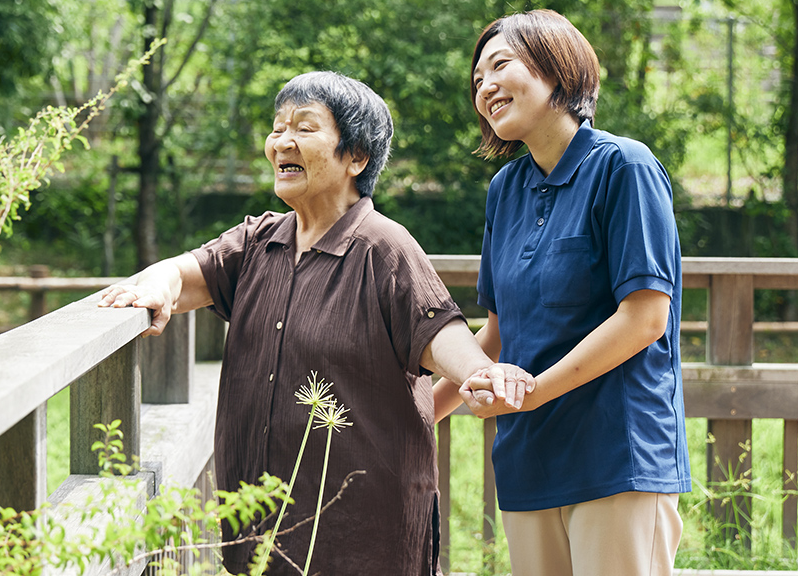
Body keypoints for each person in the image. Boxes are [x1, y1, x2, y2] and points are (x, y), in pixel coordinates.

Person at [98, 71, 531, 575]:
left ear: (356, 157)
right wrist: (154, 286)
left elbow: (439, 334)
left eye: (304, 127)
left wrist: (479, 372)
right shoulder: (258, 241)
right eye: (277, 127)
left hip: (364, 538)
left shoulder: (385, 248)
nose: (282, 140)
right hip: (257, 533)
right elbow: (181, 274)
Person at [454, 9, 691, 576]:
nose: (485, 86)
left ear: (558, 70)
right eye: (477, 79)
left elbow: (644, 318)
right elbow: (497, 334)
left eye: (500, 65)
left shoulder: (625, 167)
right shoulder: (504, 190)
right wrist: (420, 410)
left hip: (617, 456)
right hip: (528, 457)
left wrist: (535, 390)